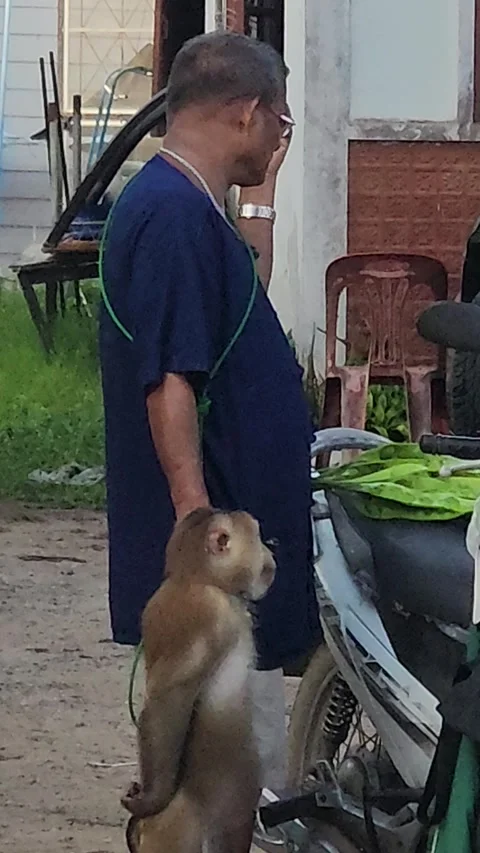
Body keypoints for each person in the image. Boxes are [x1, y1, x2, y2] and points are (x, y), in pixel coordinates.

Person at [99, 30, 321, 850]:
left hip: (233, 560)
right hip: (216, 567)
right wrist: (202, 533)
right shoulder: (169, 218)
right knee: (214, 788)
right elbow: (170, 380)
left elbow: (238, 308)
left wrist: (264, 198)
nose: (279, 142)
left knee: (238, 774)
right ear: (249, 112)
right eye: (282, 127)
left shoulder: (192, 206)